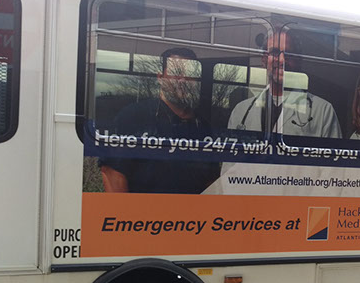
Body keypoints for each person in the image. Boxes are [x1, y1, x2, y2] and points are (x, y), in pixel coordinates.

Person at [99, 48, 220, 193]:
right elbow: (112, 173)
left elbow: (211, 181)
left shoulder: (203, 126)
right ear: (160, 77)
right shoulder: (133, 116)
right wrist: (124, 208)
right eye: (176, 73)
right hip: (143, 208)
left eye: (190, 75)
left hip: (192, 208)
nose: (183, 80)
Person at [227, 30, 342, 138]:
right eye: (275, 52)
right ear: (264, 60)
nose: (282, 60)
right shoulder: (241, 111)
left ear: (298, 61)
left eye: (289, 54)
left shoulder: (323, 111)